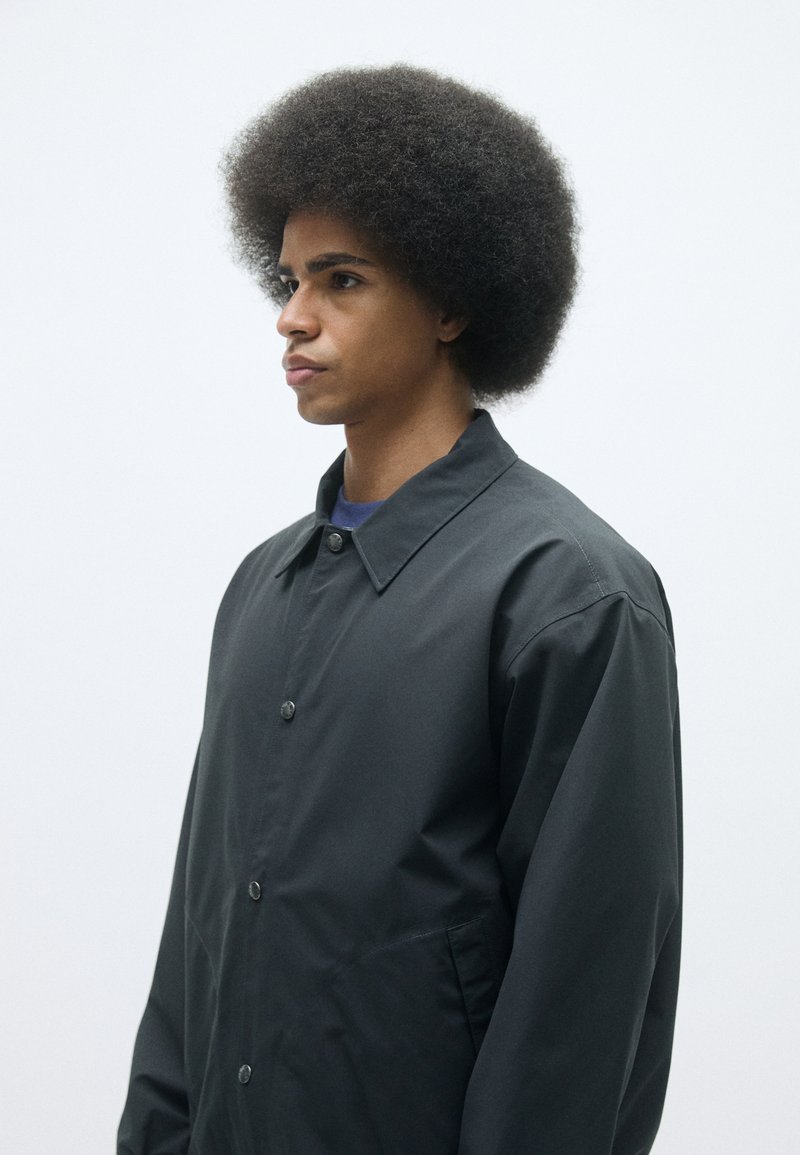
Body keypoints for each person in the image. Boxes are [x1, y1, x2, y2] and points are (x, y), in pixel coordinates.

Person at [118, 65, 682, 1155]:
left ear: (452, 302)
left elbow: (581, 1001)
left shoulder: (568, 594)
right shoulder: (261, 590)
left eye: (342, 280)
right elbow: (199, 934)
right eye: (289, 278)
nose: (292, 318)